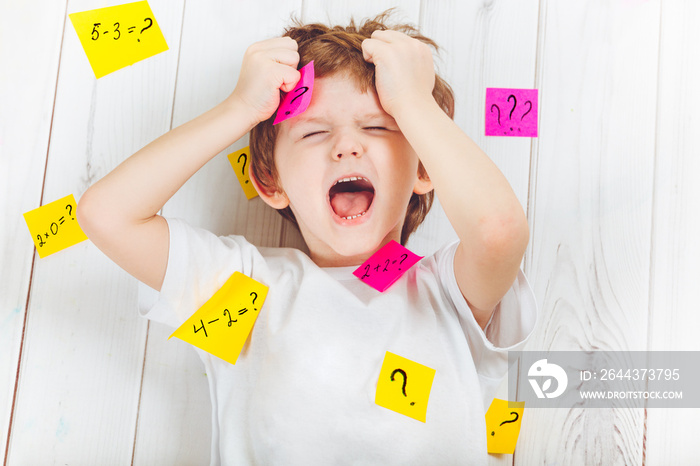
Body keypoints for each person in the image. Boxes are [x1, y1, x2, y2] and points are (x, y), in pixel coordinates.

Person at [78, 11, 537, 465]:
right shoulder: (242, 286)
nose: (346, 146)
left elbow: (498, 231)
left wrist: (414, 104)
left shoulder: (450, 293)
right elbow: (107, 214)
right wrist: (240, 108)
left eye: (377, 126)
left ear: (424, 168)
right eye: (315, 131)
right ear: (269, 180)